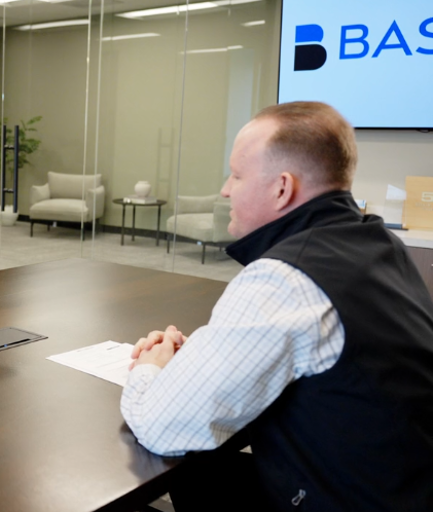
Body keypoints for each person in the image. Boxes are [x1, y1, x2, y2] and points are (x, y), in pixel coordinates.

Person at [121, 102, 433, 511]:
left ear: (282, 188)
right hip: (402, 486)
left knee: (182, 464)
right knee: (207, 472)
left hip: (350, 498)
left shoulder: (283, 278)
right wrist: (208, 352)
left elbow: (163, 426)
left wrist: (149, 369)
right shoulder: (376, 242)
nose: (225, 189)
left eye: (236, 174)